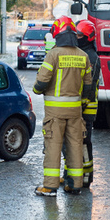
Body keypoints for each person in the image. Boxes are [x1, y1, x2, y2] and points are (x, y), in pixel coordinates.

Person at [33, 16, 93, 197]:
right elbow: (88, 86)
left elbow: (41, 82)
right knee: (75, 146)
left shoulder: (53, 54)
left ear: (58, 34)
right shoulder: (83, 56)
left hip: (55, 112)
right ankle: (74, 185)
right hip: (75, 111)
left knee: (53, 146)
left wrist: (37, 90)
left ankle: (50, 186)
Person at [74, 20, 100, 189]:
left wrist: (80, 106)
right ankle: (75, 174)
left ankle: (87, 177)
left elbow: (89, 87)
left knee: (84, 142)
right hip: (77, 107)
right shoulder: (79, 53)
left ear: (88, 38)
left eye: (80, 35)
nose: (77, 37)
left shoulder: (92, 57)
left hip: (86, 108)